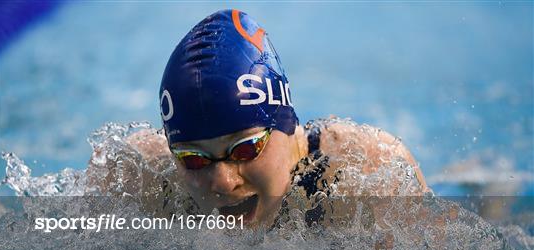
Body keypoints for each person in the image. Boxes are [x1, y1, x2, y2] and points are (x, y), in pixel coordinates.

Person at [116, 9, 429, 229]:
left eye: (245, 149)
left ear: (287, 123)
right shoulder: (141, 176)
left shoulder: (367, 170)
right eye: (194, 159)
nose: (223, 182)